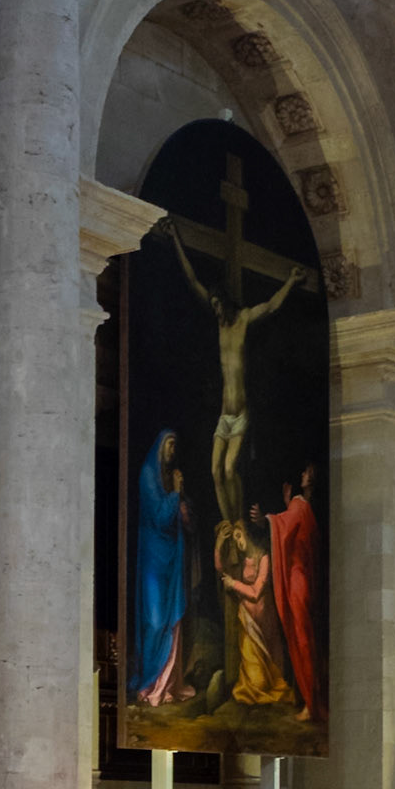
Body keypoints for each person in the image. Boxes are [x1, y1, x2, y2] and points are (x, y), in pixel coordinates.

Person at [163, 222, 305, 524]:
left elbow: (270, 307)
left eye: (218, 305)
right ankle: (228, 526)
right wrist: (176, 238)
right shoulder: (219, 325)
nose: (216, 311)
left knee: (229, 469)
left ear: (226, 302)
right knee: (215, 473)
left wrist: (291, 282)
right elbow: (192, 280)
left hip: (240, 414)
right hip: (223, 417)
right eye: (212, 307)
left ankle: (238, 521)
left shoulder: (242, 320)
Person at [251, 462, 324, 721]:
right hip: (301, 579)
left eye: (306, 473)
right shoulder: (305, 509)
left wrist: (266, 520)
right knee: (302, 639)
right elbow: (291, 528)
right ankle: (309, 699)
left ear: (311, 479)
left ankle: (311, 705)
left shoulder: (301, 506)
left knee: (301, 638)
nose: (303, 474)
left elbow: (285, 525)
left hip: (297, 580)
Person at [131, 429, 197, 706]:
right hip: (153, 559)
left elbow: (185, 519)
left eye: (175, 445)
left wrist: (184, 505)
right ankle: (149, 683)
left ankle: (167, 685)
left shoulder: (172, 478)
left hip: (172, 559)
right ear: (160, 448)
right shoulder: (148, 476)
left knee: (172, 621)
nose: (172, 451)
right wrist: (176, 495)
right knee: (156, 620)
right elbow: (159, 517)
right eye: (169, 445)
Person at [218, 518, 294, 707]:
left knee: (267, 682)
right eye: (235, 539)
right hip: (247, 622)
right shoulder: (242, 561)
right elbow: (221, 569)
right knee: (253, 684)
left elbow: (256, 592)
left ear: (247, 534)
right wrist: (219, 544)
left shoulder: (264, 558)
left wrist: (234, 584)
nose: (238, 542)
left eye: (239, 536)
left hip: (264, 621)